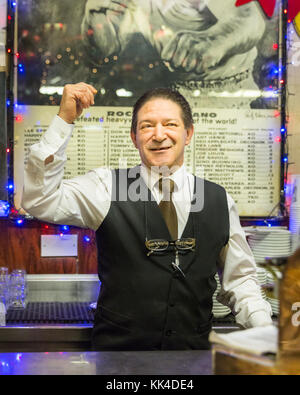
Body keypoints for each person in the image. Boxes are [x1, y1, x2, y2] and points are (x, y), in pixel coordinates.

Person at [21, 82, 272, 350]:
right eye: (147, 126)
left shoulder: (219, 200)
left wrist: (265, 331)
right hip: (118, 363)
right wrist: (64, 121)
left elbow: (241, 280)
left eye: (170, 125)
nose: (159, 135)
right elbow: (39, 200)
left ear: (188, 134)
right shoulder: (106, 187)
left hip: (191, 362)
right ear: (134, 137)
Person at [81, 0, 266, 108]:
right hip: (165, 100)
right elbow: (106, 52)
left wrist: (212, 42)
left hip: (224, 99)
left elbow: (250, 19)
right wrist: (96, 17)